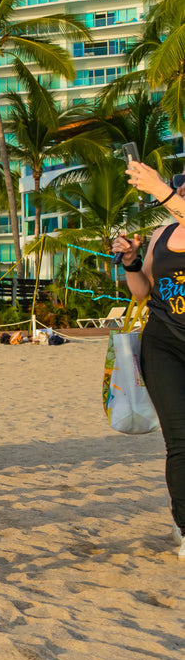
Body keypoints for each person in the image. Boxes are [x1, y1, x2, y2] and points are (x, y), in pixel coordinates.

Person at [118, 158, 185, 559]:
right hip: (164, 343)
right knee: (180, 439)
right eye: (181, 186)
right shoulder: (162, 233)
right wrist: (128, 261)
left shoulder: (168, 201)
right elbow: (142, 291)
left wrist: (161, 191)